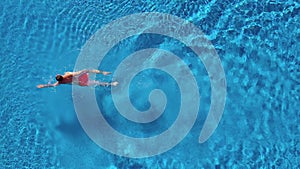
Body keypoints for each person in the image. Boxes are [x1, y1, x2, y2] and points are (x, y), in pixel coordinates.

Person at [37, 69, 118, 88]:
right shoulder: (68, 74)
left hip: (81, 83)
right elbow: (80, 72)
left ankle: (111, 84)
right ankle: (103, 72)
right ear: (61, 76)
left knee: (96, 82)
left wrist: (43, 86)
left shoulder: (60, 82)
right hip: (81, 79)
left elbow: (53, 85)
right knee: (87, 70)